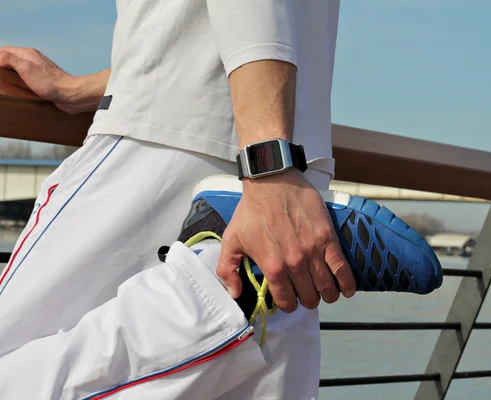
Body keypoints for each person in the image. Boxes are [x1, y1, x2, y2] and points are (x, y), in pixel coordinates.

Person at [0, 1, 442, 398]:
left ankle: (220, 296)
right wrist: (83, 90)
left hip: (190, 152)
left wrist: (268, 167)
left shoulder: (266, 172)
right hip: (278, 160)